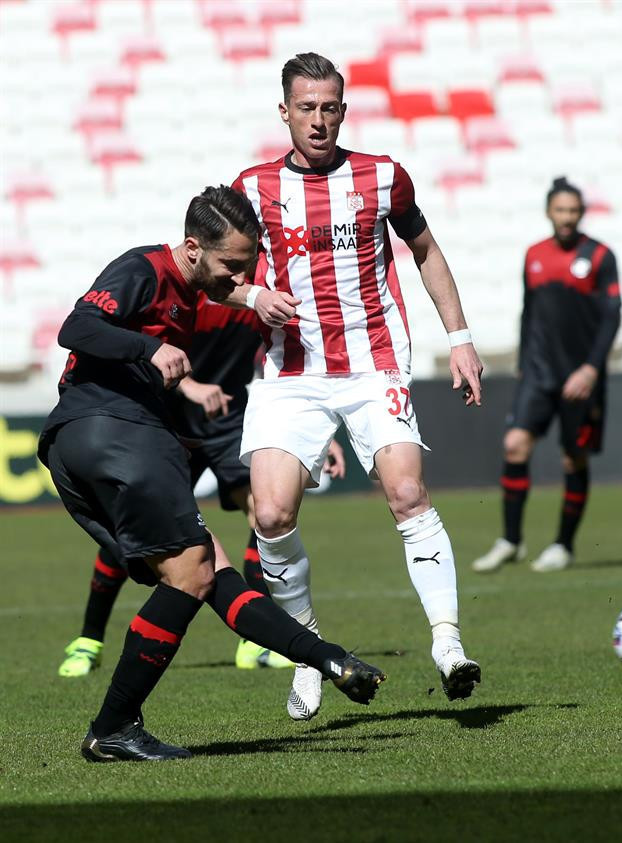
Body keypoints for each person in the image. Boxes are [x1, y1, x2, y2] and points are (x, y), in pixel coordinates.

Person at [39, 185, 385, 762]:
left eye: (247, 264)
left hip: (83, 442)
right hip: (115, 429)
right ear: (194, 248)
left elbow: (228, 298)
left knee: (204, 570)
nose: (240, 276)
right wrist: (147, 351)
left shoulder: (195, 291)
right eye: (231, 264)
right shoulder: (145, 268)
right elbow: (75, 328)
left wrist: (252, 298)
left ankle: (327, 658)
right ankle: (113, 722)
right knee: (193, 573)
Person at [228, 52, 483, 720]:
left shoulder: (383, 176)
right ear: (284, 112)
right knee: (271, 515)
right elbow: (213, 274)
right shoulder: (252, 188)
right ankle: (309, 649)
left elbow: (425, 251)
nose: (318, 120)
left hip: (374, 364)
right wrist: (253, 295)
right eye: (306, 108)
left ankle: (448, 643)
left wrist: (459, 337)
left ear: (343, 110)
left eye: (329, 107)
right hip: (289, 373)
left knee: (407, 492)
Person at [56, 295, 347, 678]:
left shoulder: (264, 297)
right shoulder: (192, 293)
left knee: (265, 511)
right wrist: (189, 385)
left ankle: (254, 643)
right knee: (137, 529)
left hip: (228, 417)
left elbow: (284, 360)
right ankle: (89, 640)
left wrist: (316, 431)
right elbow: (149, 349)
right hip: (167, 419)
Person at [471, 178, 621, 574]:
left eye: (573, 211)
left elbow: (611, 318)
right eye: (561, 210)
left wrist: (591, 368)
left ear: (581, 213)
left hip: (581, 378)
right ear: (549, 213)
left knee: (573, 459)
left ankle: (563, 545)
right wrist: (524, 361)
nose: (567, 218)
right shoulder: (534, 255)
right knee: (515, 446)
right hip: (538, 373)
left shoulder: (600, 256)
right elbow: (529, 311)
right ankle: (511, 540)